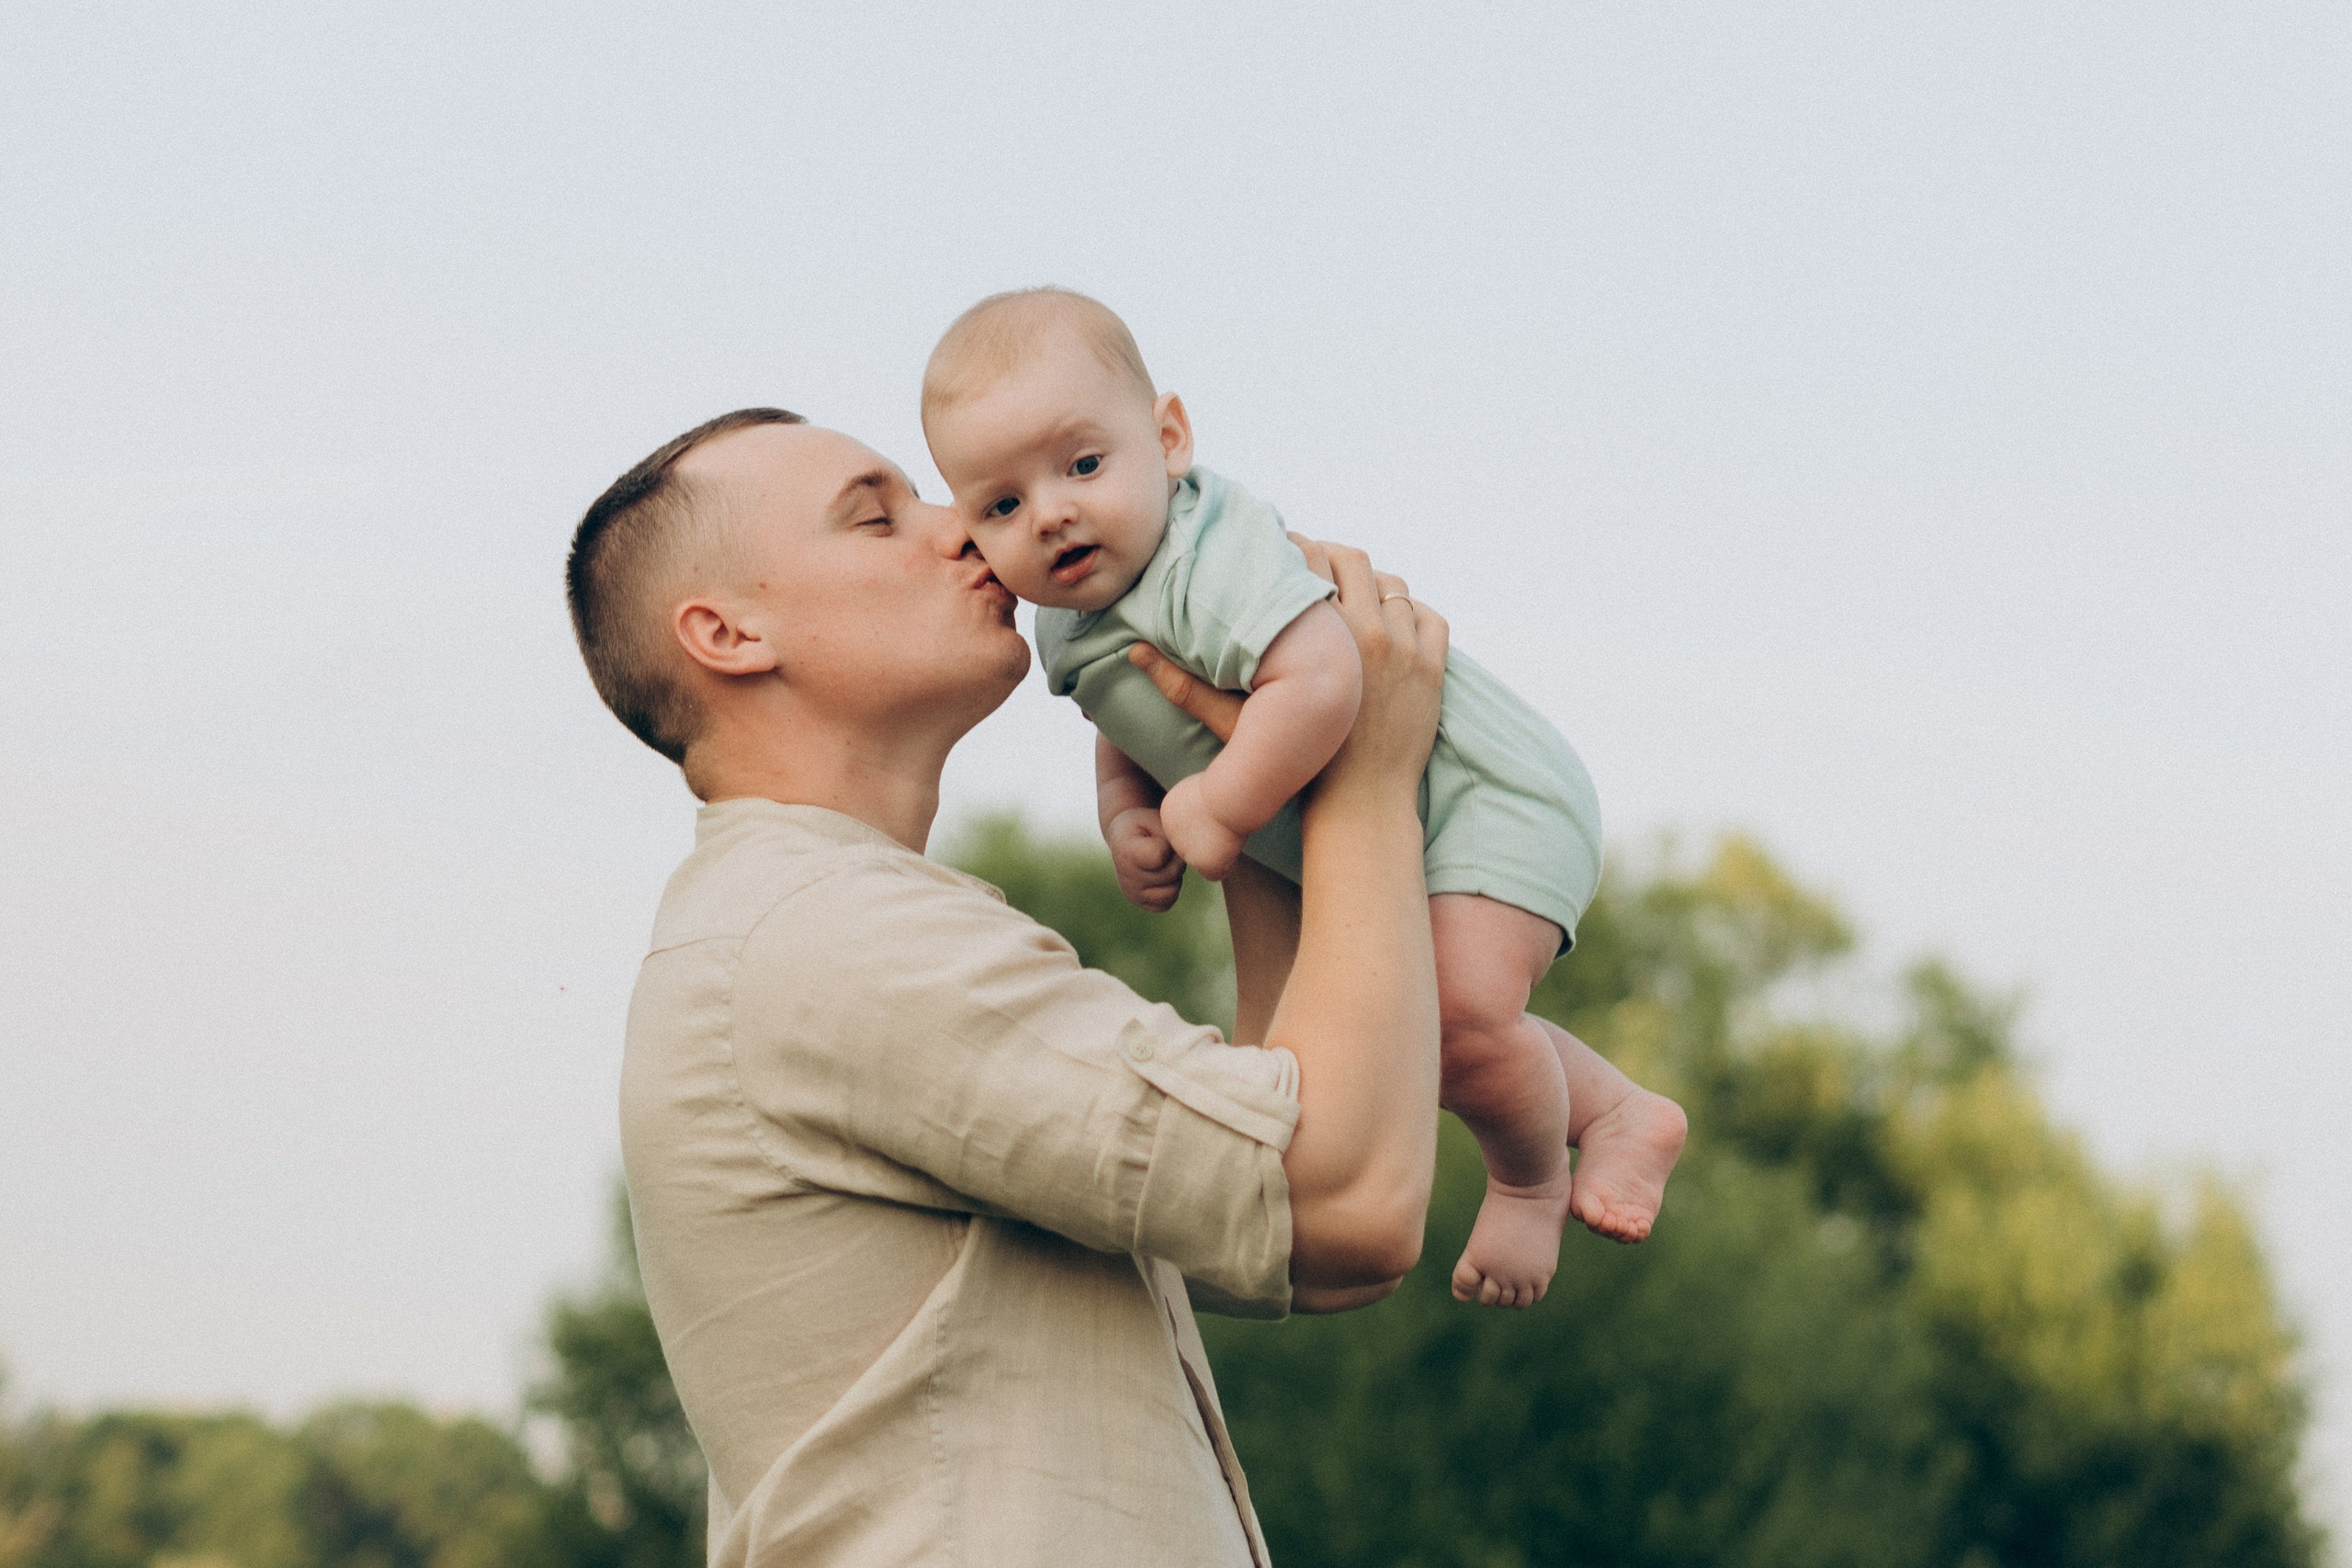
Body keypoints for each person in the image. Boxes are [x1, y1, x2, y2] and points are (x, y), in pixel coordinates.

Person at [566, 405, 1453, 1565]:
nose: (966, 534)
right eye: (878, 517)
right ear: (727, 632)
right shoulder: (832, 934)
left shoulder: (805, 925)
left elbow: (1273, 1212)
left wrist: (1253, 786)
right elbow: (1344, 1204)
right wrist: (1369, 771)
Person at [921, 288, 1688, 1309]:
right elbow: (1123, 715)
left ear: (1169, 438)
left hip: (1481, 790)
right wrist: (1127, 814)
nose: (1050, 511)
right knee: (1434, 1025)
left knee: (1455, 1014)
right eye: (1001, 505)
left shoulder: (1208, 549)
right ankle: (1622, 1110)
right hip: (1389, 815)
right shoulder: (1071, 621)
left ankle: (1529, 1177)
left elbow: (1323, 677)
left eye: (1084, 465)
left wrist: (1226, 804)